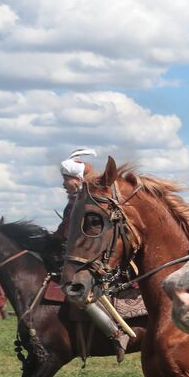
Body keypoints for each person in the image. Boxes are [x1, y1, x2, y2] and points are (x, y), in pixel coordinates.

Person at [55, 149, 134, 355]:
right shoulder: (75, 202)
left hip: (91, 258)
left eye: (67, 179)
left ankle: (116, 334)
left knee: (76, 292)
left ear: (77, 179)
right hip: (75, 254)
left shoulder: (83, 204)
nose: (64, 184)